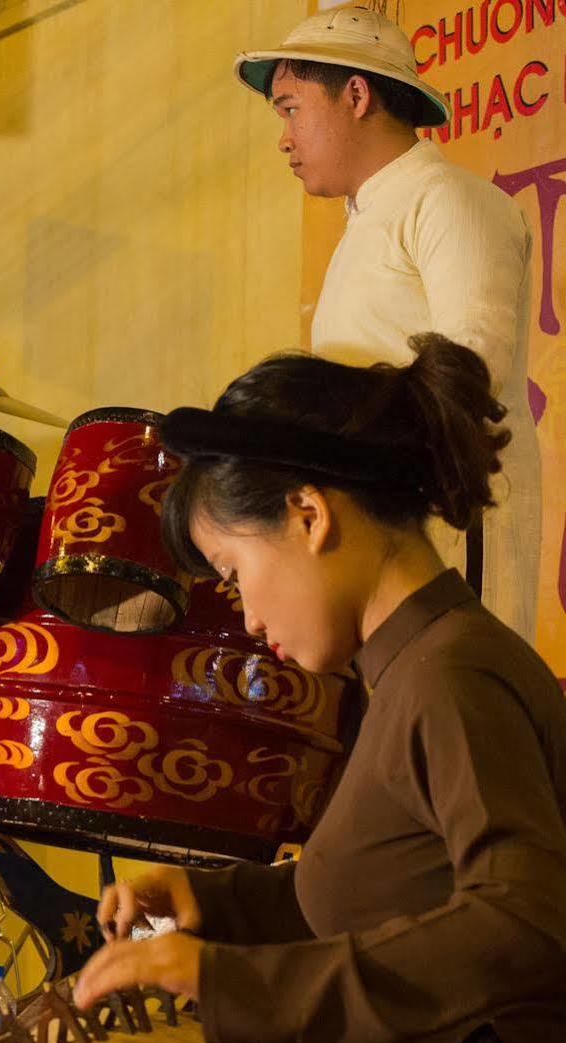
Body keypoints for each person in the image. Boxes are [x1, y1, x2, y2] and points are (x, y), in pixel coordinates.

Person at [74, 335, 564, 1043]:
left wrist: (224, 983)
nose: (242, 611)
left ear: (307, 516)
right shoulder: (411, 669)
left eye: (233, 567)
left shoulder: (447, 677)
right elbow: (386, 893)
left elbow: (524, 920)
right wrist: (215, 906)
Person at [237, 5, 538, 639]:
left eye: (291, 108)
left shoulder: (449, 199)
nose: (283, 139)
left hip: (448, 536)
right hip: (383, 544)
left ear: (355, 94)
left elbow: (466, 377)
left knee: (456, 718)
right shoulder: (371, 217)